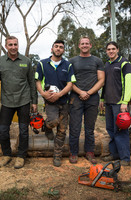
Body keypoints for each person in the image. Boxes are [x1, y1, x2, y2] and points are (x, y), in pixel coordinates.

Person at [0, 36, 37, 169]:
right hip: (7, 101)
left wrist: (34, 101)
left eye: (15, 44)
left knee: (23, 130)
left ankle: (21, 156)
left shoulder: (26, 61)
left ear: (18, 45)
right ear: (6, 46)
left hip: (24, 100)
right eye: (10, 45)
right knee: (3, 130)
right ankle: (6, 154)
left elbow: (32, 82)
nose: (13, 47)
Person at [35, 39, 76, 167]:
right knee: (53, 121)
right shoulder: (42, 64)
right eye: (56, 46)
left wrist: (60, 94)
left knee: (62, 130)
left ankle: (57, 155)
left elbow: (71, 83)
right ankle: (46, 127)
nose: (58, 49)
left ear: (63, 50)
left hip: (63, 101)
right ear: (52, 49)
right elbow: (37, 81)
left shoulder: (68, 65)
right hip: (50, 101)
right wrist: (43, 93)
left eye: (61, 47)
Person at [68, 36, 105, 164]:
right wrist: (80, 92)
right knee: (75, 127)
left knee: (90, 128)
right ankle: (73, 153)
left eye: (87, 43)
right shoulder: (72, 61)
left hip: (92, 98)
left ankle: (90, 152)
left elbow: (101, 80)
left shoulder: (97, 60)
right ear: (79, 46)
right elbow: (69, 81)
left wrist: (89, 92)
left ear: (90, 45)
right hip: (75, 98)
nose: (84, 45)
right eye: (82, 43)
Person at [99, 41, 131, 166]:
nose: (111, 51)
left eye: (113, 49)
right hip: (108, 102)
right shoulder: (107, 64)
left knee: (121, 131)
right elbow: (104, 84)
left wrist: (125, 101)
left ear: (118, 50)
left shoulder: (125, 63)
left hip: (120, 103)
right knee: (110, 129)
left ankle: (125, 158)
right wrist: (102, 99)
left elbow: (129, 84)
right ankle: (115, 154)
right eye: (108, 49)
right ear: (106, 51)